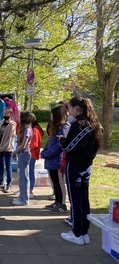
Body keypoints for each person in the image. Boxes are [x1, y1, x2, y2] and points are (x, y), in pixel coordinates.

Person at [59, 96, 102, 245]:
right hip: (86, 164)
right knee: (84, 199)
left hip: (76, 165)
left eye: (69, 108)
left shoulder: (79, 125)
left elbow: (68, 146)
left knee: (76, 200)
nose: (68, 111)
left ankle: (77, 233)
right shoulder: (95, 124)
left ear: (77, 108)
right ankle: (83, 232)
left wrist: (62, 139)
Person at [41, 106, 70, 213]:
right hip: (51, 160)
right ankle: (57, 202)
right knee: (54, 182)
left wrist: (47, 154)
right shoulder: (55, 127)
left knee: (59, 182)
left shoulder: (65, 128)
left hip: (58, 160)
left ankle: (62, 204)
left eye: (53, 115)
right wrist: (44, 152)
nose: (51, 117)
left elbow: (59, 146)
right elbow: (50, 142)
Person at [0, 107, 16, 193]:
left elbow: (10, 138)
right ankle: (1, 182)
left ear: (10, 114)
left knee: (8, 166)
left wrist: (3, 148)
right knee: (1, 165)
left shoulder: (12, 125)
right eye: (4, 113)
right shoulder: (0, 123)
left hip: (7, 149)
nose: (5, 115)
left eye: (7, 113)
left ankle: (9, 184)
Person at [11, 112, 33, 206]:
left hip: (24, 153)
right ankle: (22, 196)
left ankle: (24, 199)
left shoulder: (27, 130)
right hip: (22, 153)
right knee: (22, 176)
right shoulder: (25, 129)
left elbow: (23, 145)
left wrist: (14, 152)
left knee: (23, 177)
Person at [29, 114, 44, 198]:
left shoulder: (34, 130)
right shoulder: (33, 129)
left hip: (32, 154)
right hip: (31, 154)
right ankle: (28, 189)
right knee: (28, 172)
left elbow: (34, 144)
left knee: (30, 172)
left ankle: (30, 190)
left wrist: (25, 149)